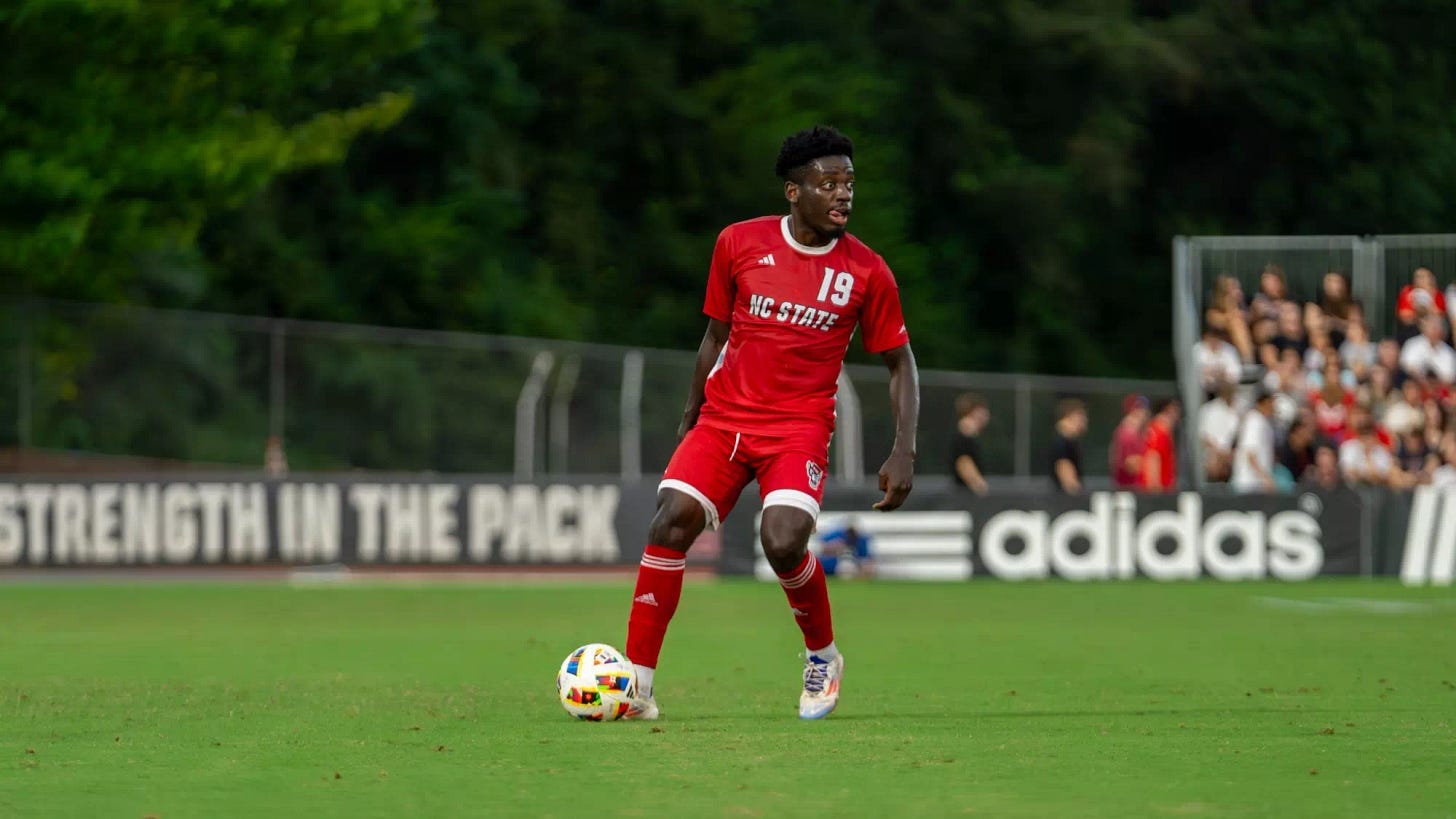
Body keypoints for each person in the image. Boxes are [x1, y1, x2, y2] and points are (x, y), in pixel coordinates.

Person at [621, 126, 918, 722]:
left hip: (798, 427)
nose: (843, 195)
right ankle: (636, 687)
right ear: (793, 190)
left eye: (849, 183)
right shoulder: (738, 243)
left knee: (782, 542)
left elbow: (900, 362)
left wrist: (903, 449)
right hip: (724, 418)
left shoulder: (867, 272)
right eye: (828, 183)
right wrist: (689, 417)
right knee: (669, 523)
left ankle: (822, 656)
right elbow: (714, 335)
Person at [1230, 389, 1277, 493]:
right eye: (1272, 402)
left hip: (1256, 484)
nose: (1274, 407)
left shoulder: (1263, 421)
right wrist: (1265, 478)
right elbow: (1250, 454)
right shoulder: (1254, 421)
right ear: (1265, 402)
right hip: (1249, 484)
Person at [949, 393, 990, 494]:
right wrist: (981, 488)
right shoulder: (965, 438)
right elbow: (964, 463)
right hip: (966, 497)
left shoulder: (966, 437)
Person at [1198, 382, 1239, 483]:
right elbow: (1202, 436)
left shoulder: (1234, 412)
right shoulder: (1209, 409)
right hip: (1211, 457)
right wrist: (1217, 451)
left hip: (1226, 460)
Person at [1399, 315, 1456, 384]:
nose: (1435, 331)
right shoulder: (1412, 344)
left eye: (1437, 328)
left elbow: (1450, 376)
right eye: (1432, 328)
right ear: (1424, 329)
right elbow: (1406, 366)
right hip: (1415, 385)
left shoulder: (1449, 352)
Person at [1396, 266, 1446, 343]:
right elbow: (1404, 315)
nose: (1420, 279)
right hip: (1413, 329)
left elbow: (1440, 315)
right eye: (1418, 276)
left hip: (1432, 328)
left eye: (1423, 276)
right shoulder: (1407, 291)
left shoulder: (1437, 294)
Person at [1339, 417, 1393, 487]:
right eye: (1364, 435)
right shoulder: (1348, 447)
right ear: (1358, 436)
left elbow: (1386, 475)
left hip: (1377, 488)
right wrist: (1367, 474)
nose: (1367, 439)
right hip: (1352, 487)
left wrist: (1368, 456)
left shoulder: (1381, 450)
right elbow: (1348, 471)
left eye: (1370, 435)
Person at [1109, 394, 1149, 489]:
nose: (1146, 413)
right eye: (1142, 409)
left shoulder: (1131, 431)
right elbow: (1131, 464)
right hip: (1129, 489)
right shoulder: (1128, 434)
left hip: (1128, 487)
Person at [1142, 397, 1181, 492]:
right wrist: (1156, 490)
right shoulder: (1159, 431)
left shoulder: (1161, 431)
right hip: (1159, 491)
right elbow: (1152, 458)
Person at [1048, 398, 1087, 494]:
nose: (1084, 421)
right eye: (1080, 417)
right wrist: (1074, 492)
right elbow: (1063, 468)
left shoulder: (1071, 441)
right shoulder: (1062, 442)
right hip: (1063, 498)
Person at [1193, 323, 1242, 394]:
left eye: (1216, 337)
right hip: (1201, 391)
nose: (1214, 340)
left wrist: (1218, 374)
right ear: (1205, 337)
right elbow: (1195, 374)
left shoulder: (1229, 349)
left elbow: (1235, 374)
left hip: (1224, 390)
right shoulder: (1197, 349)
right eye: (1211, 336)